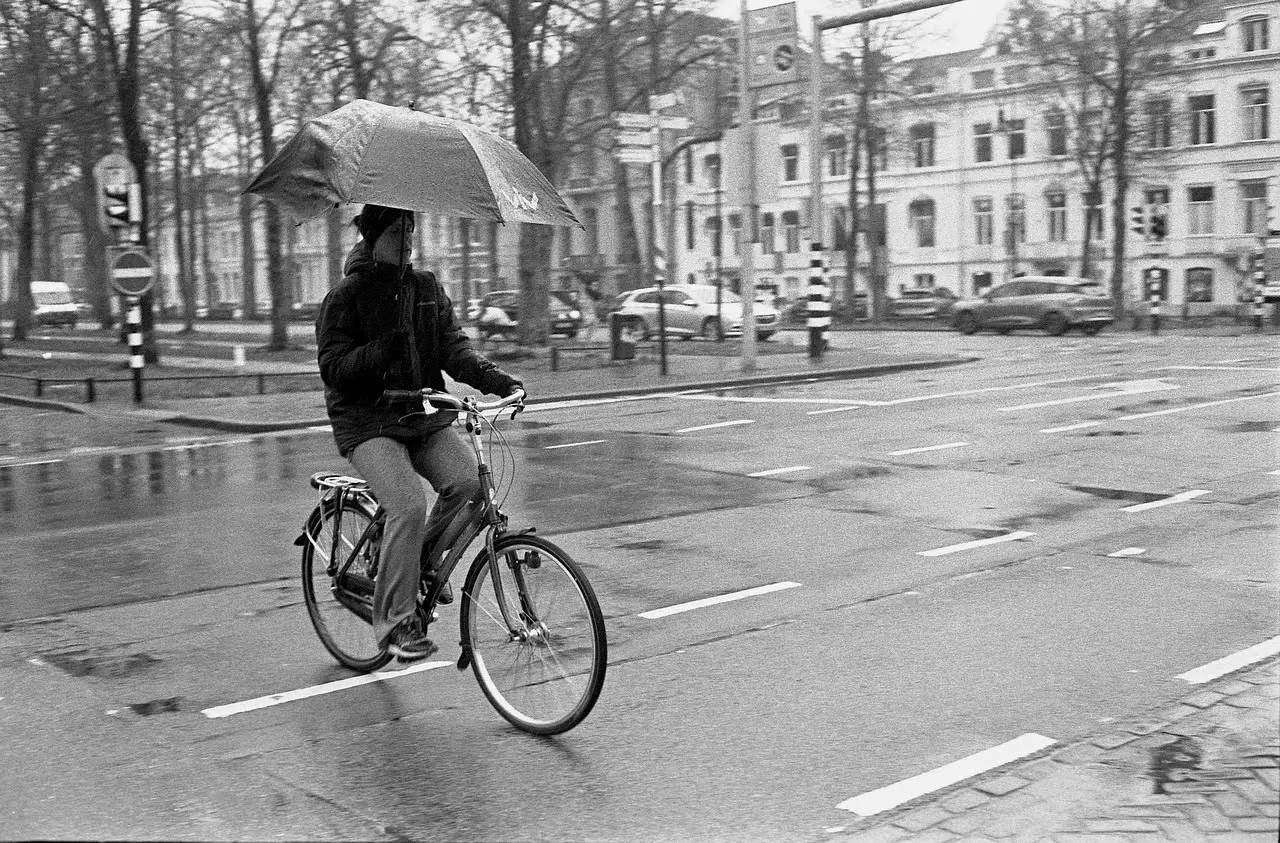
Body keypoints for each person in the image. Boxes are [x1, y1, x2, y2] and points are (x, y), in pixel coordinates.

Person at [315, 205, 523, 662]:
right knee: (408, 502)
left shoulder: (425, 288)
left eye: (411, 227)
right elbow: (333, 369)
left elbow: (454, 348)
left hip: (420, 413)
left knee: (470, 486)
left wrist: (498, 380)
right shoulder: (345, 297)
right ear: (373, 236)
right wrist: (380, 350)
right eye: (396, 229)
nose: (407, 237)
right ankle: (394, 623)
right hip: (366, 421)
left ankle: (417, 567)